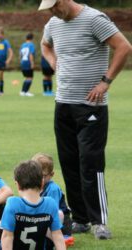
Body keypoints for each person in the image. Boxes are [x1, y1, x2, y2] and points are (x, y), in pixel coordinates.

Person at [39, 0, 132, 239]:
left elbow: (124, 47)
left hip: (91, 106)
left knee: (90, 164)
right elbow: (45, 45)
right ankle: (80, 219)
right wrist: (52, 60)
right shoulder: (53, 23)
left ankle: (99, 221)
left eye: (53, 7)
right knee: (69, 163)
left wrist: (106, 82)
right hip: (63, 104)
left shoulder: (94, 19)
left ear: (63, 1)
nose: (51, 12)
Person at [0, 160, 66, 250]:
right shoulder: (50, 203)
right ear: (42, 183)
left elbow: (7, 237)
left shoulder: (13, 203)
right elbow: (58, 236)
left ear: (17, 185)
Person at [32, 153, 74, 248]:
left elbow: (52, 210)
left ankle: (58, 238)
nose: (40, 179)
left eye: (43, 176)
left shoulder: (53, 188)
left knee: (58, 213)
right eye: (37, 175)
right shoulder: (34, 186)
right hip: (42, 219)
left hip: (60, 223)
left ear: (51, 174)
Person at [19, 32, 35, 97]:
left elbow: (20, 54)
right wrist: (32, 63)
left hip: (23, 62)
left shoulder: (23, 45)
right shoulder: (31, 45)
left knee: (27, 78)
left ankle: (23, 91)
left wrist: (21, 61)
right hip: (28, 62)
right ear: (32, 38)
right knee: (30, 78)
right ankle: (26, 92)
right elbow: (31, 54)